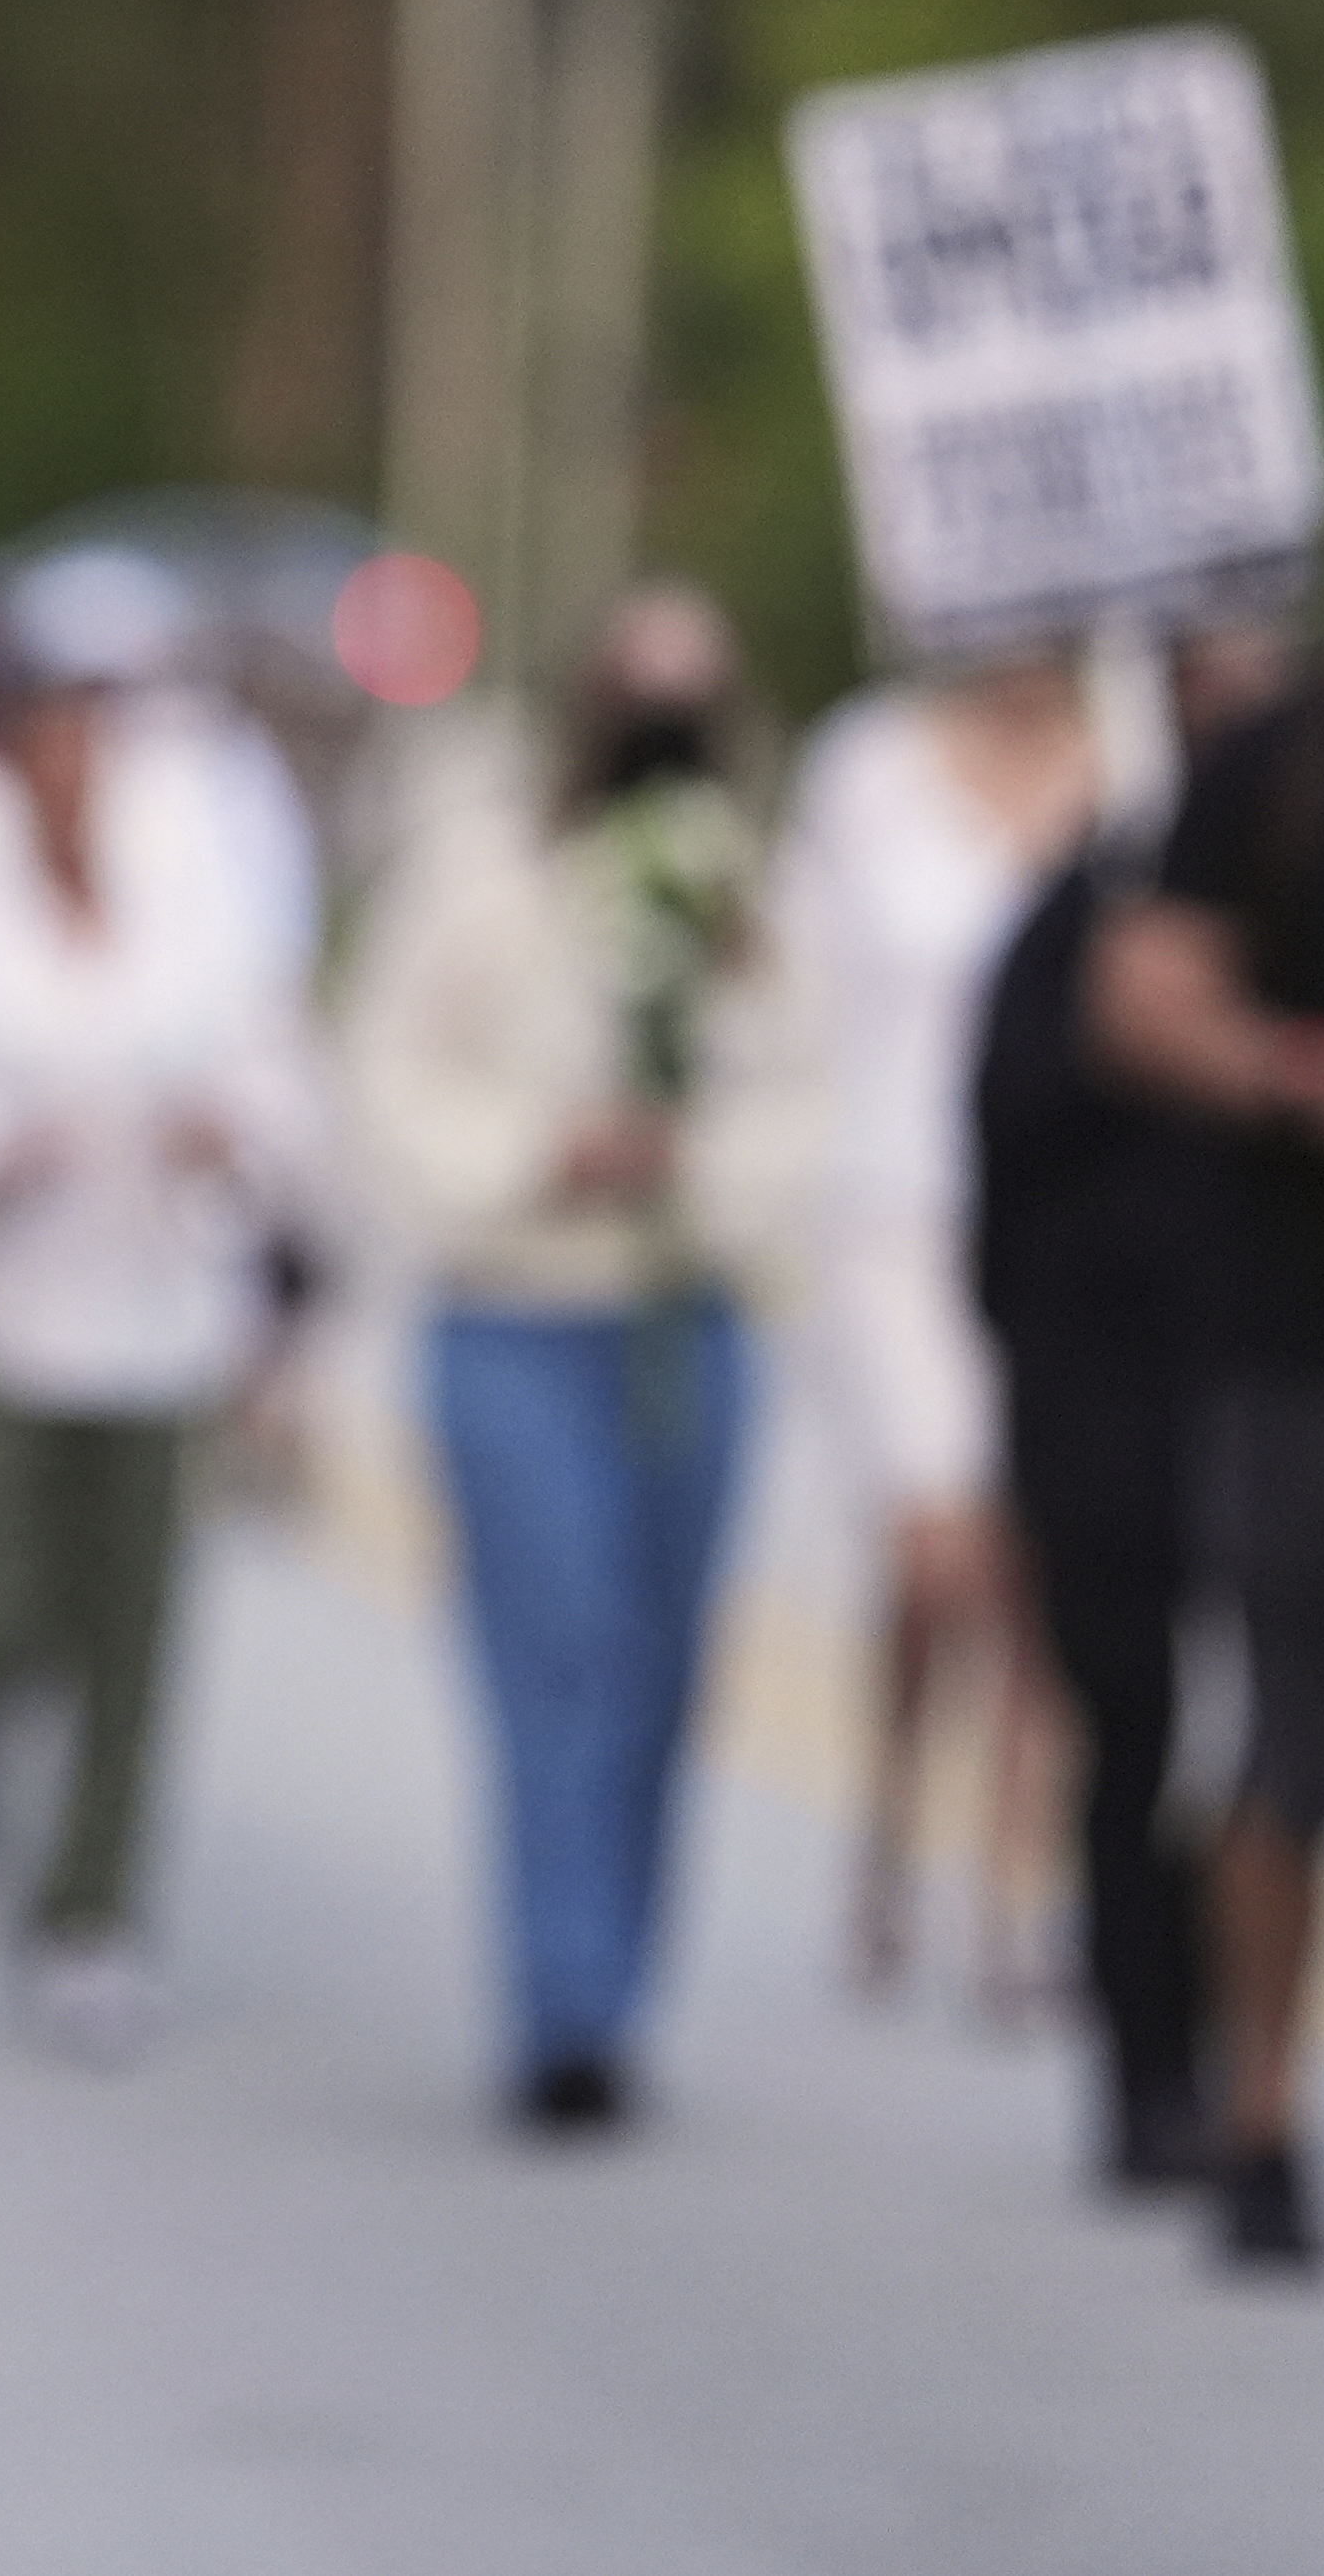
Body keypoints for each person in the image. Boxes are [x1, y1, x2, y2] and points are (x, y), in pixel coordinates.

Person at [341, 582, 795, 2126]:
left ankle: (619, 1969)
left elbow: (808, 1097)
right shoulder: (478, 869)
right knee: (559, 1650)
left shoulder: (746, 886)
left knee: (662, 1662)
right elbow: (389, 1068)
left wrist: (691, 1164)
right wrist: (541, 1153)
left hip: (685, 1315)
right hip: (515, 1316)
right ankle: (565, 2000)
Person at [0, 544, 320, 2059]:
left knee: (130, 1631)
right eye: (51, 734)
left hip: (154, 1315)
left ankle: (89, 1909)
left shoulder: (195, 904)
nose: (78, 766)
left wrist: (225, 1131)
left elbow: (268, 1067)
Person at [1094, 473, 1324, 2265]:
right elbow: (1139, 997)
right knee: (1284, 1736)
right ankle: (1260, 2103)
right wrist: (1306, 1072)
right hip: (1300, 1339)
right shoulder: (1272, 761)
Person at [776, 651, 1102, 2011]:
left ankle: (1007, 1886)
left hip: (1057, 1215)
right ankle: (891, 1818)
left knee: (1035, 1565)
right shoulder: (868, 767)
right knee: (935, 1555)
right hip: (893, 1211)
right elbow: (800, 986)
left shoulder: (1122, 757)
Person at [971, 643, 1246, 2191]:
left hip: (1263, 1377)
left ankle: (1239, 2061)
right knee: (1130, 1716)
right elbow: (1008, 1151)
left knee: (1262, 1738)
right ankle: (1150, 2062)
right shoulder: (1074, 914)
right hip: (1102, 1390)